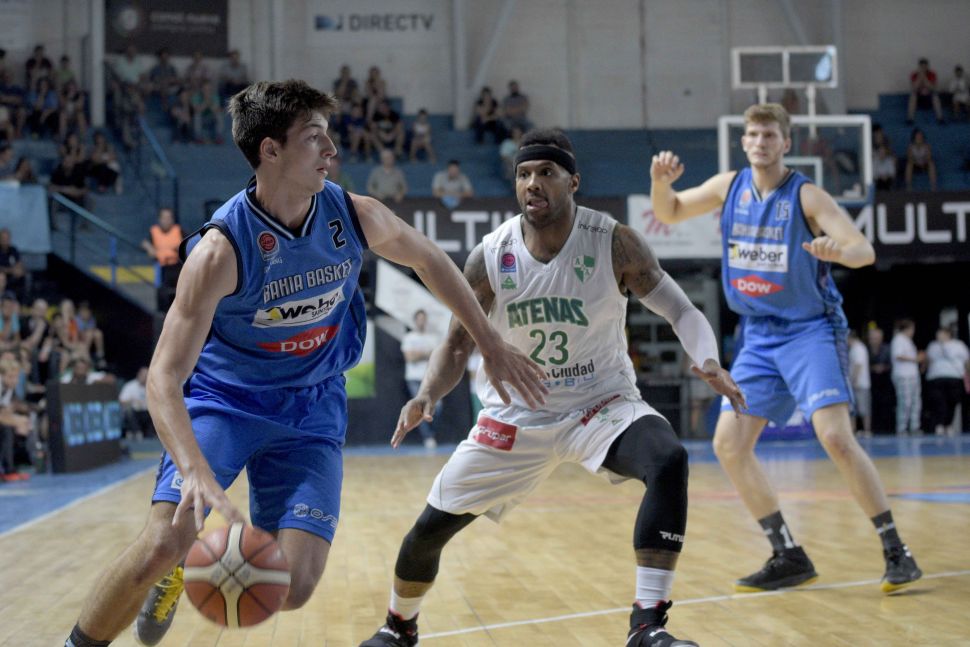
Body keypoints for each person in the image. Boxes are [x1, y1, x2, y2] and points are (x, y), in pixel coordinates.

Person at [63, 79, 546, 647]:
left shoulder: (352, 214)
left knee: (290, 587)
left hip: (313, 406)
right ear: (270, 150)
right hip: (227, 402)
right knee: (162, 541)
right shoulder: (221, 250)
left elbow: (430, 259)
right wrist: (192, 468)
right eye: (314, 137)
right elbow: (164, 377)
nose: (331, 150)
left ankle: (188, 560)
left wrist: (490, 341)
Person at [359, 128, 745, 647]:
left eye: (546, 172)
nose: (532, 183)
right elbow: (455, 344)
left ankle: (647, 625)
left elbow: (680, 309)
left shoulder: (613, 241)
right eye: (523, 174)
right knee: (429, 531)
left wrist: (709, 360)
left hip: (600, 404)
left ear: (573, 182)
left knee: (668, 458)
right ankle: (398, 626)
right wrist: (427, 393)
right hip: (516, 415)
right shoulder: (491, 256)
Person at [649, 103, 921, 594]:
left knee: (835, 437)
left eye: (769, 135)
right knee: (729, 444)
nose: (760, 142)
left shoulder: (807, 195)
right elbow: (668, 211)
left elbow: (864, 250)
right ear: (743, 141)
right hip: (758, 334)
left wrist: (839, 252)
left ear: (786, 143)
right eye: (753, 134)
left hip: (809, 329)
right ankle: (788, 554)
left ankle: (896, 550)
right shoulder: (728, 186)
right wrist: (660, 183)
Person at [400, 309, 441, 450]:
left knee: (437, 408)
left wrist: (419, 354)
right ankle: (428, 437)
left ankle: (432, 433)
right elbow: (410, 358)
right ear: (415, 321)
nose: (421, 321)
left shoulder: (433, 338)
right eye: (419, 319)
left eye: (424, 318)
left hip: (430, 379)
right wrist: (427, 353)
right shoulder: (409, 338)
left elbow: (437, 358)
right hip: (414, 378)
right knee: (419, 409)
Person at [924, 326, 968, 436]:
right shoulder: (933, 346)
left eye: (941, 333)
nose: (939, 335)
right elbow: (928, 361)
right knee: (939, 401)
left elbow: (967, 361)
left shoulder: (959, 345)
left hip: (954, 377)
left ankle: (948, 424)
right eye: (938, 333)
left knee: (952, 402)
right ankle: (939, 424)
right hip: (936, 378)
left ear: (948, 334)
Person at [141, 207, 183, 312]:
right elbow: (144, 243)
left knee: (179, 291)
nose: (166, 220)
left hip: (177, 266)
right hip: (162, 267)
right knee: (162, 290)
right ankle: (162, 312)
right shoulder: (154, 231)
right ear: (159, 219)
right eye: (164, 218)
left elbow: (188, 243)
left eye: (169, 218)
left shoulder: (178, 230)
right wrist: (149, 248)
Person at [891, 318, 922, 436]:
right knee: (905, 402)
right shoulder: (898, 339)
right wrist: (915, 359)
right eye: (912, 329)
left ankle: (914, 427)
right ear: (907, 329)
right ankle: (902, 428)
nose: (913, 331)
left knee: (915, 402)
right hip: (903, 376)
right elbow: (898, 355)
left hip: (913, 375)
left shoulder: (908, 341)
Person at [848, 329, 872, 437]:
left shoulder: (859, 348)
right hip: (856, 384)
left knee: (864, 407)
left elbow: (858, 365)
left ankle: (867, 430)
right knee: (854, 408)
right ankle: (853, 430)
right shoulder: (854, 348)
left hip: (860, 384)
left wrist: (855, 380)